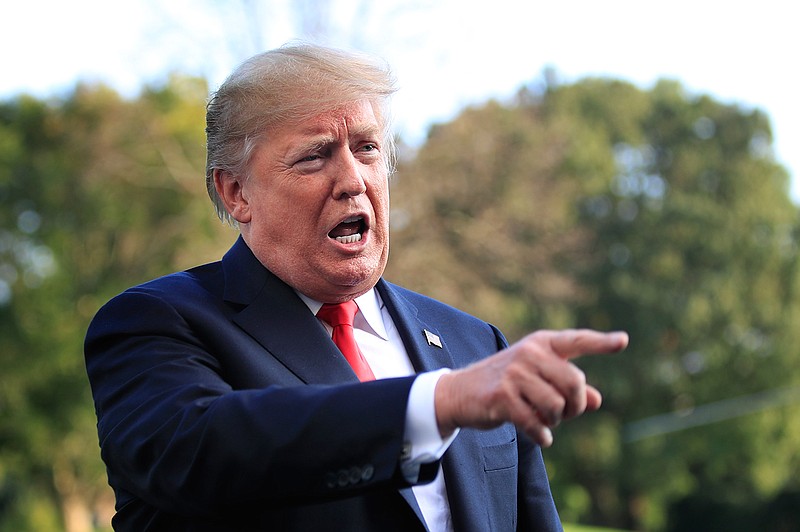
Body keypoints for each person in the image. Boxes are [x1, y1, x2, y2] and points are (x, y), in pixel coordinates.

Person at [84, 43, 628, 532]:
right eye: (315, 156)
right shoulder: (155, 326)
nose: (353, 180)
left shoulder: (474, 344)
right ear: (236, 193)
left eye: (367, 148)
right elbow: (209, 451)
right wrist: (437, 403)